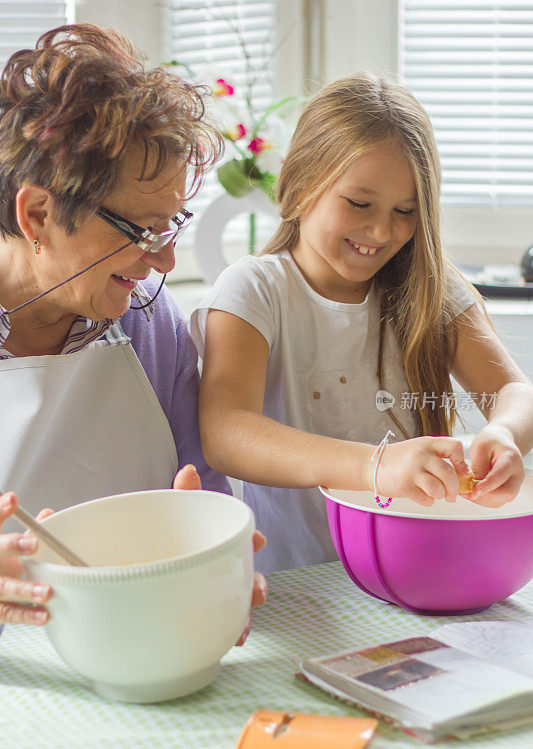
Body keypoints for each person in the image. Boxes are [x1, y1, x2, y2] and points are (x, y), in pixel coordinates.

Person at [191, 73, 533, 574]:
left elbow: (514, 390)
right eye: (359, 203)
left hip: (416, 571)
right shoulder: (254, 290)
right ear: (301, 181)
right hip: (300, 586)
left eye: (405, 211)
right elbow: (225, 432)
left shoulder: (431, 289)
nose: (381, 231)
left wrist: (504, 433)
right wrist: (376, 466)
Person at [0, 24, 266, 636]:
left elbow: (208, 501)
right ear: (39, 213)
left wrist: (219, 565)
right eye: (143, 230)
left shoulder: (149, 321)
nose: (165, 261)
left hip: (129, 645)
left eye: (172, 225)